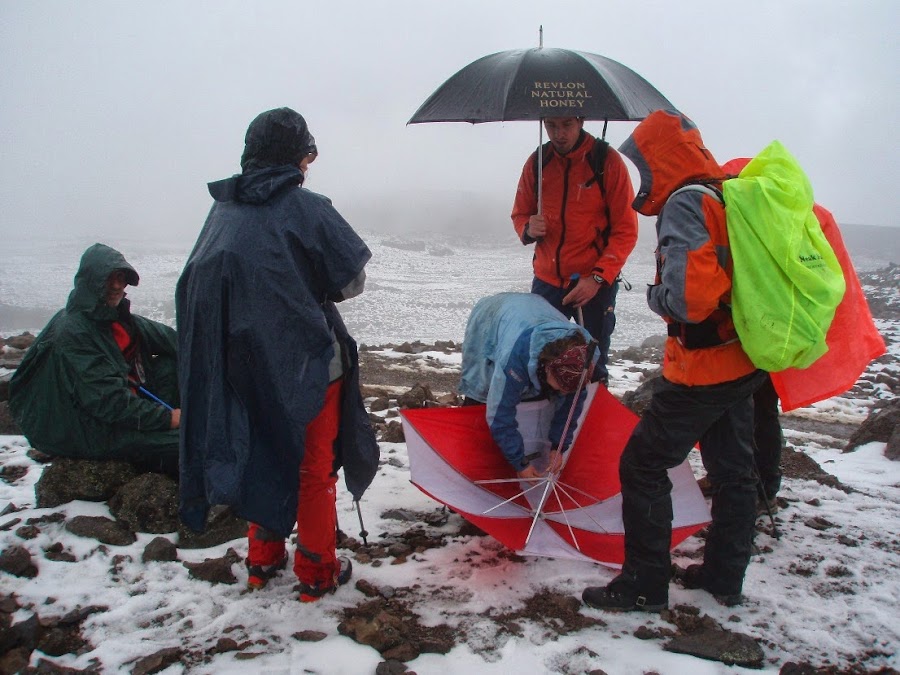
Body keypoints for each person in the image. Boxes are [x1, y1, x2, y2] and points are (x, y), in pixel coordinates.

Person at [176, 107, 379, 602]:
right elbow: (351, 280)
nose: (308, 166)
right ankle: (317, 571)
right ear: (294, 156)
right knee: (313, 467)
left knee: (262, 454)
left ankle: (262, 560)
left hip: (244, 368)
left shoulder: (221, 210)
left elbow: (202, 284)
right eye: (306, 155)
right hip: (307, 364)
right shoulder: (307, 207)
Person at [581, 110, 766, 612]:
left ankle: (643, 584)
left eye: (642, 163)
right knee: (734, 471)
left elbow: (688, 301)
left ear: (660, 159)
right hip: (742, 360)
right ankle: (724, 578)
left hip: (701, 370)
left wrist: (653, 297)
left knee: (642, 464)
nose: (641, 175)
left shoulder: (685, 204)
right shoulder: (724, 192)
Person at [8, 243, 180, 475]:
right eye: (109, 278)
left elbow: (174, 341)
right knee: (189, 441)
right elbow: (109, 402)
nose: (117, 285)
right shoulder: (74, 332)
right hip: (77, 425)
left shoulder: (112, 317)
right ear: (90, 282)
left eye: (120, 277)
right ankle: (151, 468)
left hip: (107, 405)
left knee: (172, 366)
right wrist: (168, 418)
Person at [511, 116, 639, 383]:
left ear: (581, 121)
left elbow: (626, 230)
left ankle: (590, 422)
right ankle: (546, 424)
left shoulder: (606, 161)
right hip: (547, 283)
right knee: (540, 364)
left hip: (594, 286)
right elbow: (520, 213)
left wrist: (596, 278)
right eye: (552, 125)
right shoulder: (538, 161)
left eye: (566, 125)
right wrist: (528, 228)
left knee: (592, 366)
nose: (559, 133)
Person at [459, 292, 599, 479]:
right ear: (547, 367)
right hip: (492, 315)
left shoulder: (585, 359)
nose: (561, 392)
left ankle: (516, 449)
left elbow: (571, 406)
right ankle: (471, 463)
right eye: (559, 385)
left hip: (536, 309)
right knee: (483, 394)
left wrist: (559, 446)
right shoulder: (516, 356)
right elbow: (499, 413)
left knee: (544, 397)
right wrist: (520, 463)